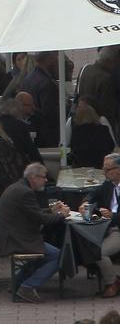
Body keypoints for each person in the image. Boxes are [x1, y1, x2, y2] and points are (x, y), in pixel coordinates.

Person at [0, 163, 69, 303]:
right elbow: (41, 219)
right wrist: (62, 215)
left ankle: (17, 283)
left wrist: (52, 211)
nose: (46, 180)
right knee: (58, 255)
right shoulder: (25, 192)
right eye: (43, 177)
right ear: (33, 177)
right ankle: (28, 286)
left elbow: (33, 213)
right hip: (15, 240)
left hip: (8, 237)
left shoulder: (17, 187)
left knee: (43, 254)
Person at [85, 153, 120, 298]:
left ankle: (113, 282)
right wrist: (86, 203)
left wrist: (113, 216)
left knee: (99, 252)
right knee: (85, 243)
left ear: (118, 169)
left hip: (117, 229)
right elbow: (93, 194)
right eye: (103, 169)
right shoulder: (108, 184)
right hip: (107, 228)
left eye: (107, 170)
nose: (104, 173)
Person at [21, 51, 61, 146]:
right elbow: (49, 113)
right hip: (46, 135)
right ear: (48, 59)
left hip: (31, 130)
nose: (57, 61)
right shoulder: (47, 83)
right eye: (55, 57)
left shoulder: (28, 78)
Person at [68, 99, 115, 168]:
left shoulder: (77, 131)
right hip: (100, 166)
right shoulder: (104, 129)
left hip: (81, 167)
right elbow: (111, 146)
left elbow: (73, 149)